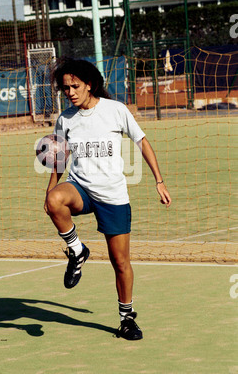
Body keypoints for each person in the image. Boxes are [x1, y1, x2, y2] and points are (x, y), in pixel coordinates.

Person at [44, 58, 171, 340]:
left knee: (120, 261)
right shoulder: (65, 119)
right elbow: (59, 159)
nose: (70, 93)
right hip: (80, 188)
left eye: (75, 86)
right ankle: (77, 249)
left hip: (112, 195)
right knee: (55, 201)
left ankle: (127, 319)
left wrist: (158, 180)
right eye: (65, 88)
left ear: (91, 85)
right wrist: (50, 190)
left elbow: (142, 142)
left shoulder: (115, 110)